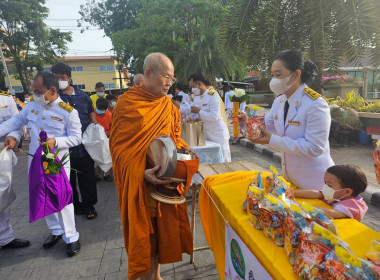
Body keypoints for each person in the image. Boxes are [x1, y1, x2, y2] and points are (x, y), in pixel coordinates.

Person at [110, 52, 194, 280]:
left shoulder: (168, 106)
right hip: (141, 185)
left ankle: (155, 276)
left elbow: (173, 138)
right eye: (165, 77)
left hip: (164, 184)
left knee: (161, 234)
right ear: (148, 73)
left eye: (172, 79)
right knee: (145, 233)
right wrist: (140, 172)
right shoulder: (127, 105)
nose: (169, 83)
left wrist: (184, 148)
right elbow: (118, 151)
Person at [0, 72, 81, 256]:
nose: (34, 94)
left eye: (38, 91)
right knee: (42, 194)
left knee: (62, 198)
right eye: (33, 91)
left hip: (55, 161)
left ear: (52, 90)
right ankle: (56, 231)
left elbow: (77, 138)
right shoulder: (31, 106)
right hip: (35, 160)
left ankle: (71, 236)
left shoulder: (68, 111)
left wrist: (56, 142)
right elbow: (15, 121)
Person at [251, 49, 334, 190]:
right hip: (291, 180)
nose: (274, 80)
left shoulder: (315, 104)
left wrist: (273, 140)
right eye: (272, 75)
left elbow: (315, 148)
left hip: (315, 183)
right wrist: (249, 124)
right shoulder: (280, 101)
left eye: (278, 74)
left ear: (296, 75)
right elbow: (267, 126)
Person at [51, 62, 98, 220]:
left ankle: (88, 205)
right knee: (67, 179)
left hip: (84, 146)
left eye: (62, 77)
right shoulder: (53, 98)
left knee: (87, 177)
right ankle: (75, 205)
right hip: (63, 147)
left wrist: (93, 124)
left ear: (70, 78)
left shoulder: (83, 95)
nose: (60, 81)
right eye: (56, 78)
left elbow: (91, 112)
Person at [0, 90, 30, 249]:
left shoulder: (5, 98)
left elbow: (17, 122)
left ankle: (5, 237)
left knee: (3, 195)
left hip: (3, 153)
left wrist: (13, 137)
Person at [287, 165, 368, 222]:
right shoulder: (337, 194)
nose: (325, 187)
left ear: (347, 191)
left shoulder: (354, 205)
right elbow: (317, 193)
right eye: (325, 183)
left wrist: (303, 206)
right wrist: (292, 192)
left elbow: (332, 213)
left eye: (329, 185)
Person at [190, 74, 231, 162]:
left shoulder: (213, 96)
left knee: (224, 161)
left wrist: (199, 111)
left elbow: (214, 116)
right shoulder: (197, 98)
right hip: (207, 135)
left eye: (193, 87)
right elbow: (192, 111)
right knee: (211, 162)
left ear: (199, 84)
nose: (192, 90)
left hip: (218, 134)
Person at [94, 97, 113, 181]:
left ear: (106, 108)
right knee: (95, 158)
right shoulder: (92, 114)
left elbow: (113, 128)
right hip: (94, 139)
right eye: (99, 109)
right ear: (96, 106)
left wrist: (108, 135)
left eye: (102, 109)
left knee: (107, 158)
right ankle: (96, 175)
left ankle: (106, 175)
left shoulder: (110, 115)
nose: (100, 111)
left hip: (106, 138)